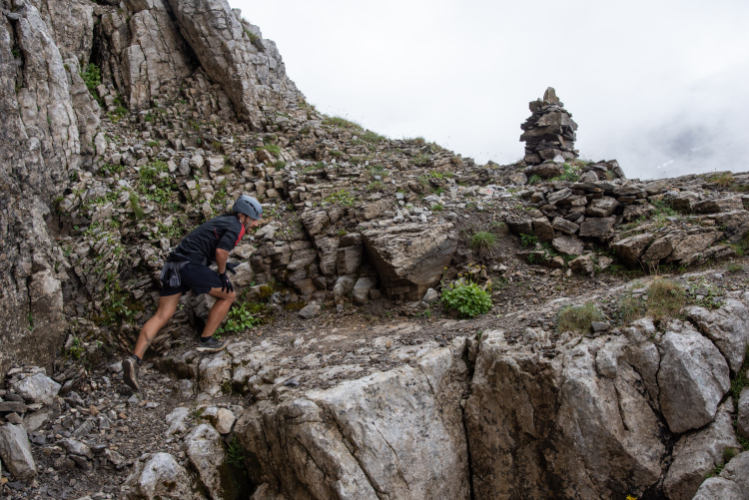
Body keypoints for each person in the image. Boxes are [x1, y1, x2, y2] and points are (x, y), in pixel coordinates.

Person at [122, 195, 263, 392]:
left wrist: (224, 263)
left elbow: (208, 244)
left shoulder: (224, 220)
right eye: (254, 219)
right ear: (243, 215)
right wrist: (222, 274)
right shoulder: (237, 226)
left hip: (174, 265)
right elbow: (221, 252)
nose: (256, 224)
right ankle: (207, 339)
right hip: (190, 266)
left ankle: (134, 360)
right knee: (229, 295)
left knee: (162, 315)